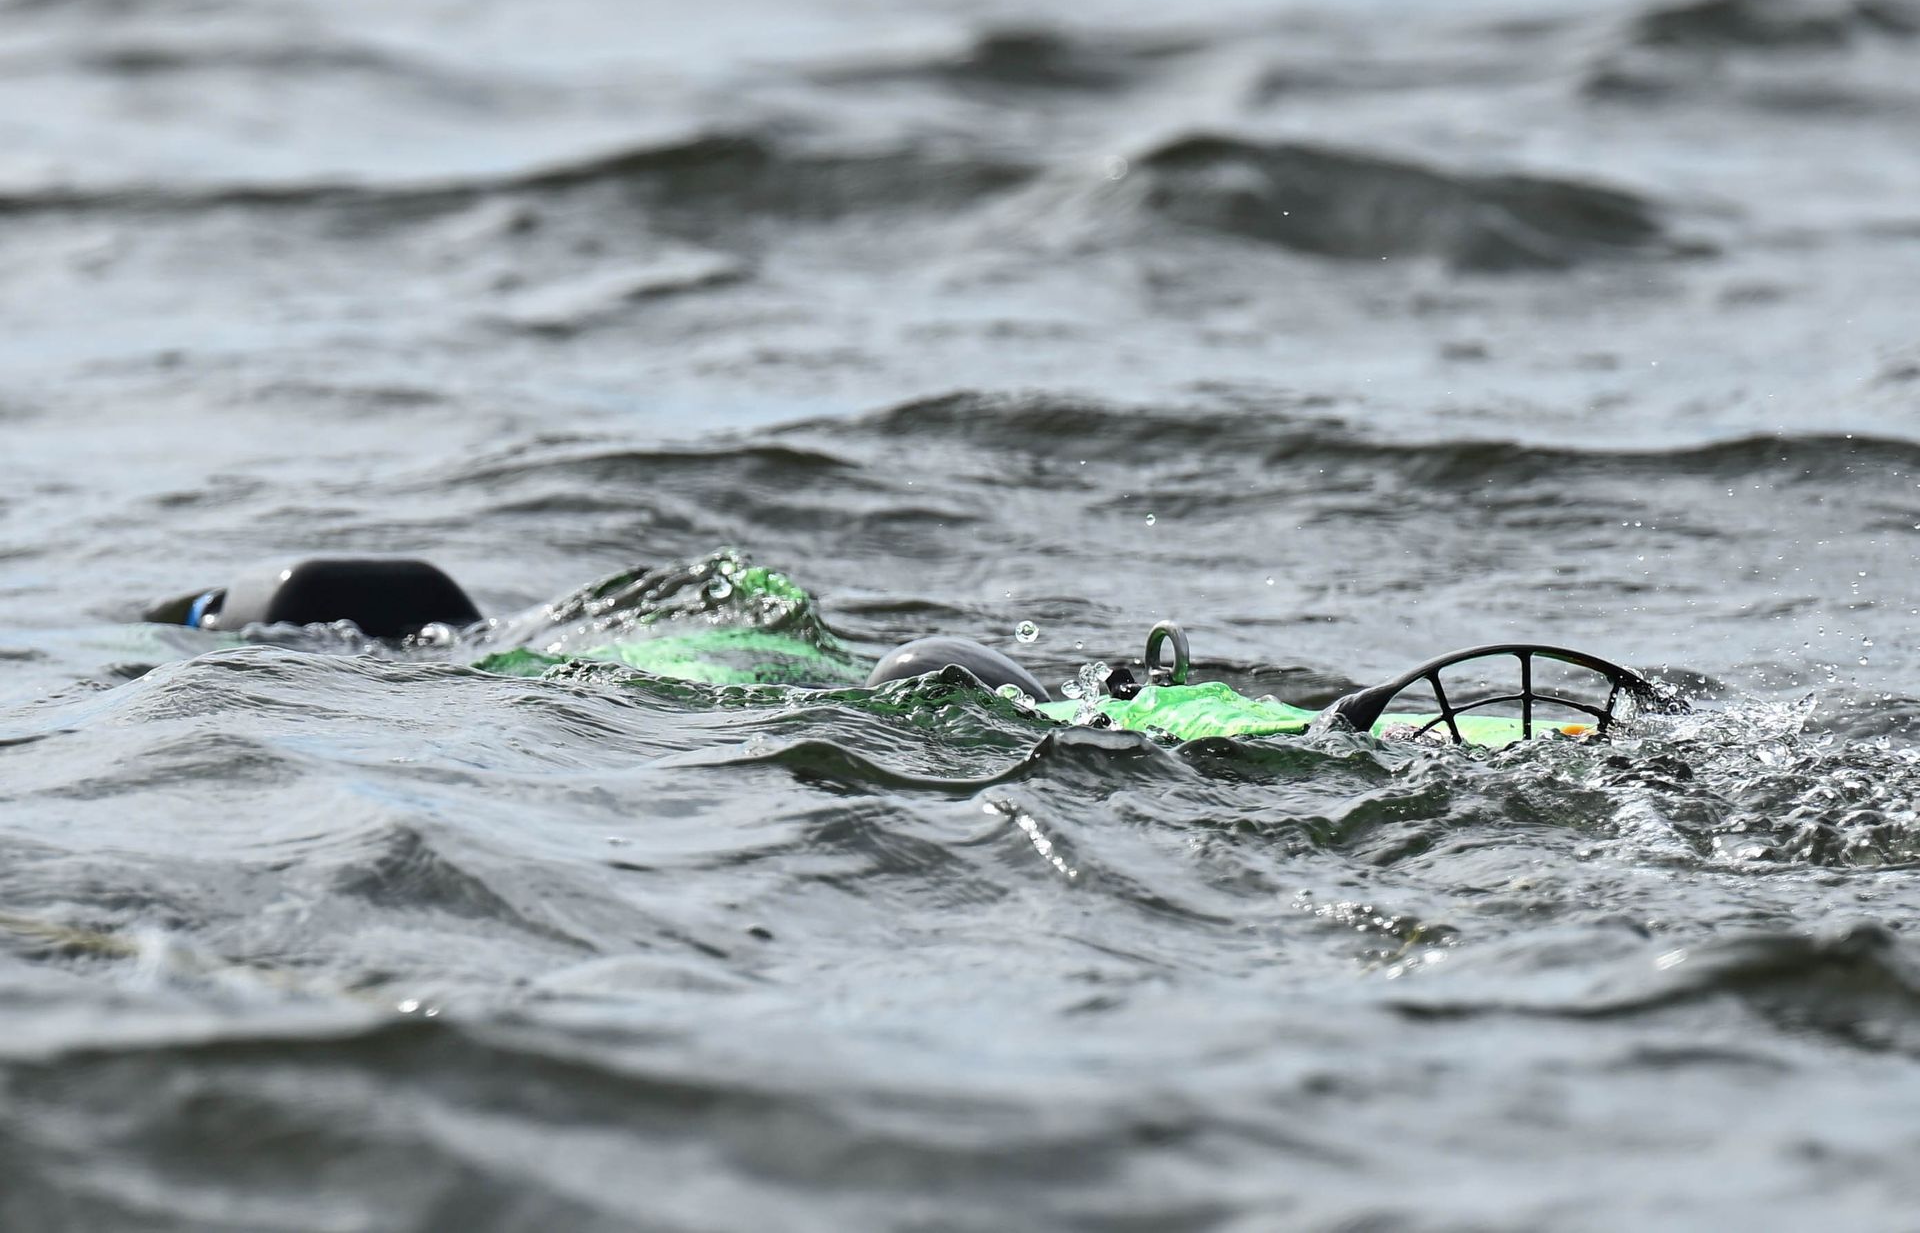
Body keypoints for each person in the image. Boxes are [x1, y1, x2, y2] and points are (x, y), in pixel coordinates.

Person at [146, 554, 1681, 747]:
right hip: (913, 671)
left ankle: (1318, 732)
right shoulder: (603, 614)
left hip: (917, 694)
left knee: (1066, 716)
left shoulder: (509, 673)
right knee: (1110, 707)